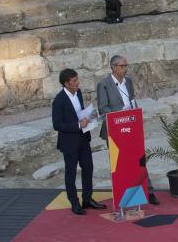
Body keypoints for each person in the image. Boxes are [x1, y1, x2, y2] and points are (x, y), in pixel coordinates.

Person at [96, 55, 159, 205]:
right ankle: (122, 195)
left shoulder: (128, 82)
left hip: (131, 128)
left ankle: (148, 191)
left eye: (126, 65)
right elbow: (103, 108)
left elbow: (131, 100)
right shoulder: (104, 85)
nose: (125, 69)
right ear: (114, 67)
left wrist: (133, 111)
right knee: (119, 164)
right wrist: (121, 112)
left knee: (139, 161)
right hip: (114, 132)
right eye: (122, 66)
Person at [52, 68, 105, 215]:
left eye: (77, 79)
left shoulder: (79, 93)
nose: (78, 82)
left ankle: (87, 199)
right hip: (69, 143)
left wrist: (89, 116)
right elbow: (57, 125)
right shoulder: (59, 101)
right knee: (71, 173)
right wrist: (77, 125)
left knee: (88, 168)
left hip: (83, 139)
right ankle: (74, 203)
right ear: (66, 83)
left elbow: (79, 113)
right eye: (74, 80)